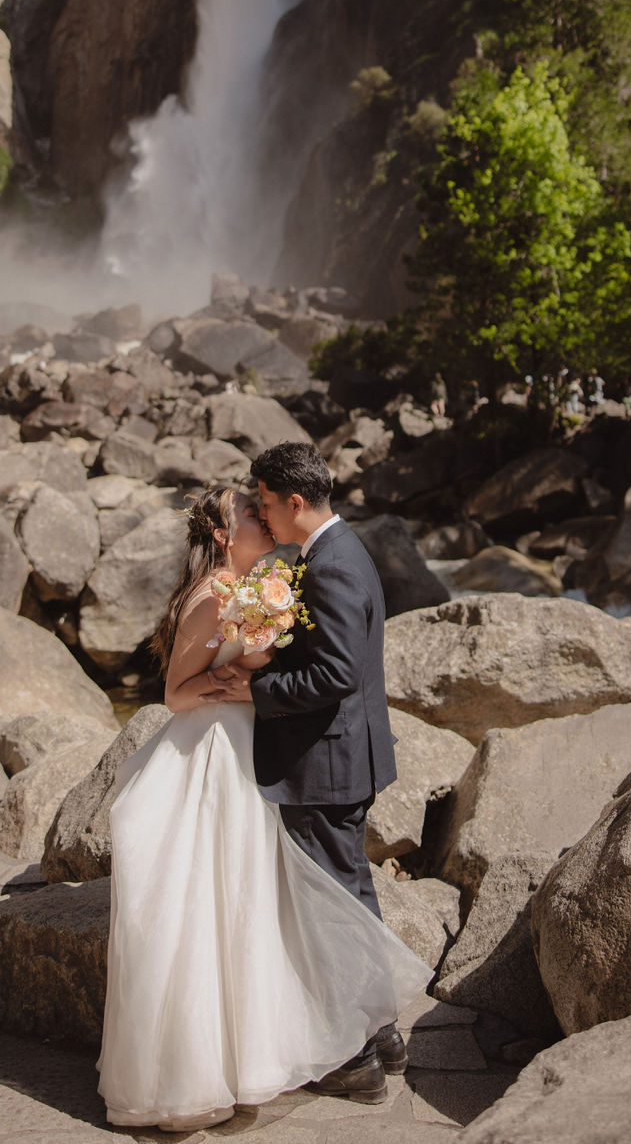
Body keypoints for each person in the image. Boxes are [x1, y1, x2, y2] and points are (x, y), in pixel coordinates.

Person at [97, 487, 429, 1133]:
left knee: (265, 905)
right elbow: (174, 691)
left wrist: (257, 676)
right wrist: (232, 686)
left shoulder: (260, 582)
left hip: (256, 753)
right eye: (249, 513)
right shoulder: (212, 595)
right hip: (215, 755)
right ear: (224, 535)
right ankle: (226, 1061)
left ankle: (336, 1035)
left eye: (262, 507)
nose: (261, 517)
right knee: (221, 908)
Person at [209, 442, 410, 1102]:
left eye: (265, 503)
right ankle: (381, 1031)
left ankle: (353, 1060)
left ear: (294, 501)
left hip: (324, 759)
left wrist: (253, 691)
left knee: (326, 909)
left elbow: (336, 673)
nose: (262, 517)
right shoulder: (335, 552)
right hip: (344, 753)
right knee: (350, 896)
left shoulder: (330, 566)